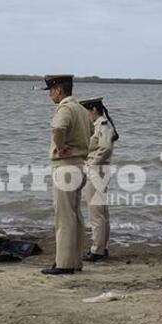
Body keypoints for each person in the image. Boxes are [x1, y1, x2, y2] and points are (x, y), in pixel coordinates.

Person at [41, 75, 93, 275]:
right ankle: (75, 261)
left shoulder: (65, 108)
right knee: (75, 215)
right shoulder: (81, 109)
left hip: (65, 167)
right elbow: (91, 133)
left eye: (51, 91)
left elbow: (58, 128)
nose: (50, 96)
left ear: (59, 90)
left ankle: (64, 263)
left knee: (64, 217)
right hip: (80, 165)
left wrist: (61, 147)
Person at [79, 97, 119, 262]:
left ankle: (97, 250)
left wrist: (91, 165)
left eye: (86, 113)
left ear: (93, 110)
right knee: (101, 212)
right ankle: (103, 247)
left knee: (96, 213)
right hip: (100, 171)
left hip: (97, 171)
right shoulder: (99, 125)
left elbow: (106, 148)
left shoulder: (102, 125)